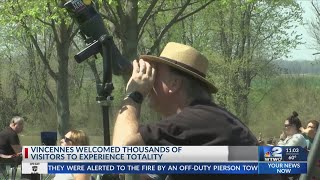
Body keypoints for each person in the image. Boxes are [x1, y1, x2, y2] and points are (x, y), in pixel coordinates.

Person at [112, 42, 281, 180]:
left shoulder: (194, 121)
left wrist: (133, 95)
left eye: (155, 76)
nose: (150, 84)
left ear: (174, 84)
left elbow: (122, 155)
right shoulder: (210, 120)